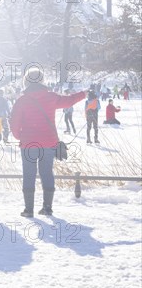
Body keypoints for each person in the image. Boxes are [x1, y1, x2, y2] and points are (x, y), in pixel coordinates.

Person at [10, 68, 86, 217]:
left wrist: (21, 136)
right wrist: (84, 94)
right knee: (47, 173)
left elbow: (14, 125)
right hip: (48, 143)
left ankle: (28, 209)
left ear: (26, 80)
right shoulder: (51, 97)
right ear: (42, 80)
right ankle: (47, 208)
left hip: (28, 144)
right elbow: (69, 100)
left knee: (29, 174)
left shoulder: (21, 100)